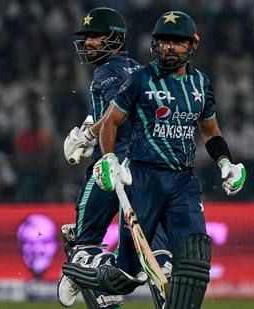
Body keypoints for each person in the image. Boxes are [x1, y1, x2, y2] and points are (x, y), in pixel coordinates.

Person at [63, 11, 247, 309]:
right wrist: (108, 158)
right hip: (143, 179)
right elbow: (110, 121)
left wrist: (226, 163)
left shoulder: (201, 84)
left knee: (194, 254)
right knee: (126, 273)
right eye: (163, 42)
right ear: (154, 44)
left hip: (183, 181)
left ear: (192, 45)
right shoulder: (140, 79)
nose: (169, 48)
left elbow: (211, 132)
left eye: (177, 42)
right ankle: (85, 273)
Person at [59, 7, 170, 309]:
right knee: (154, 245)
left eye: (95, 36)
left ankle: (101, 284)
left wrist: (87, 135)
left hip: (111, 164)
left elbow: (116, 112)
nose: (89, 43)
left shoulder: (105, 71)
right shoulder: (138, 68)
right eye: (87, 37)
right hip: (148, 165)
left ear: (114, 38)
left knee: (82, 241)